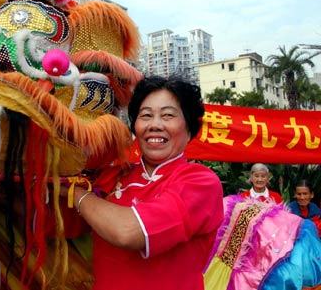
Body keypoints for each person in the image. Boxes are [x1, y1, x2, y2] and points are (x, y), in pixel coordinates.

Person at [62, 76, 224, 290]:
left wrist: (77, 193)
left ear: (191, 127)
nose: (155, 125)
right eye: (146, 115)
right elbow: (60, 224)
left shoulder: (199, 182)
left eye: (168, 115)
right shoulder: (114, 176)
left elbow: (128, 231)